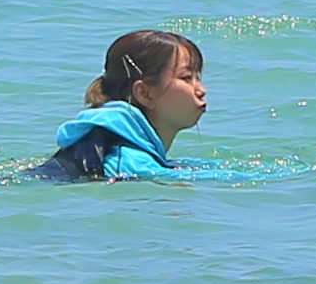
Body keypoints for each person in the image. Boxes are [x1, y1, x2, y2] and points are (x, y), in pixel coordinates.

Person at [35, 28, 210, 181]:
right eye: (187, 78)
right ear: (144, 93)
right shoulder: (125, 162)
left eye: (198, 78)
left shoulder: (124, 152)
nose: (201, 90)